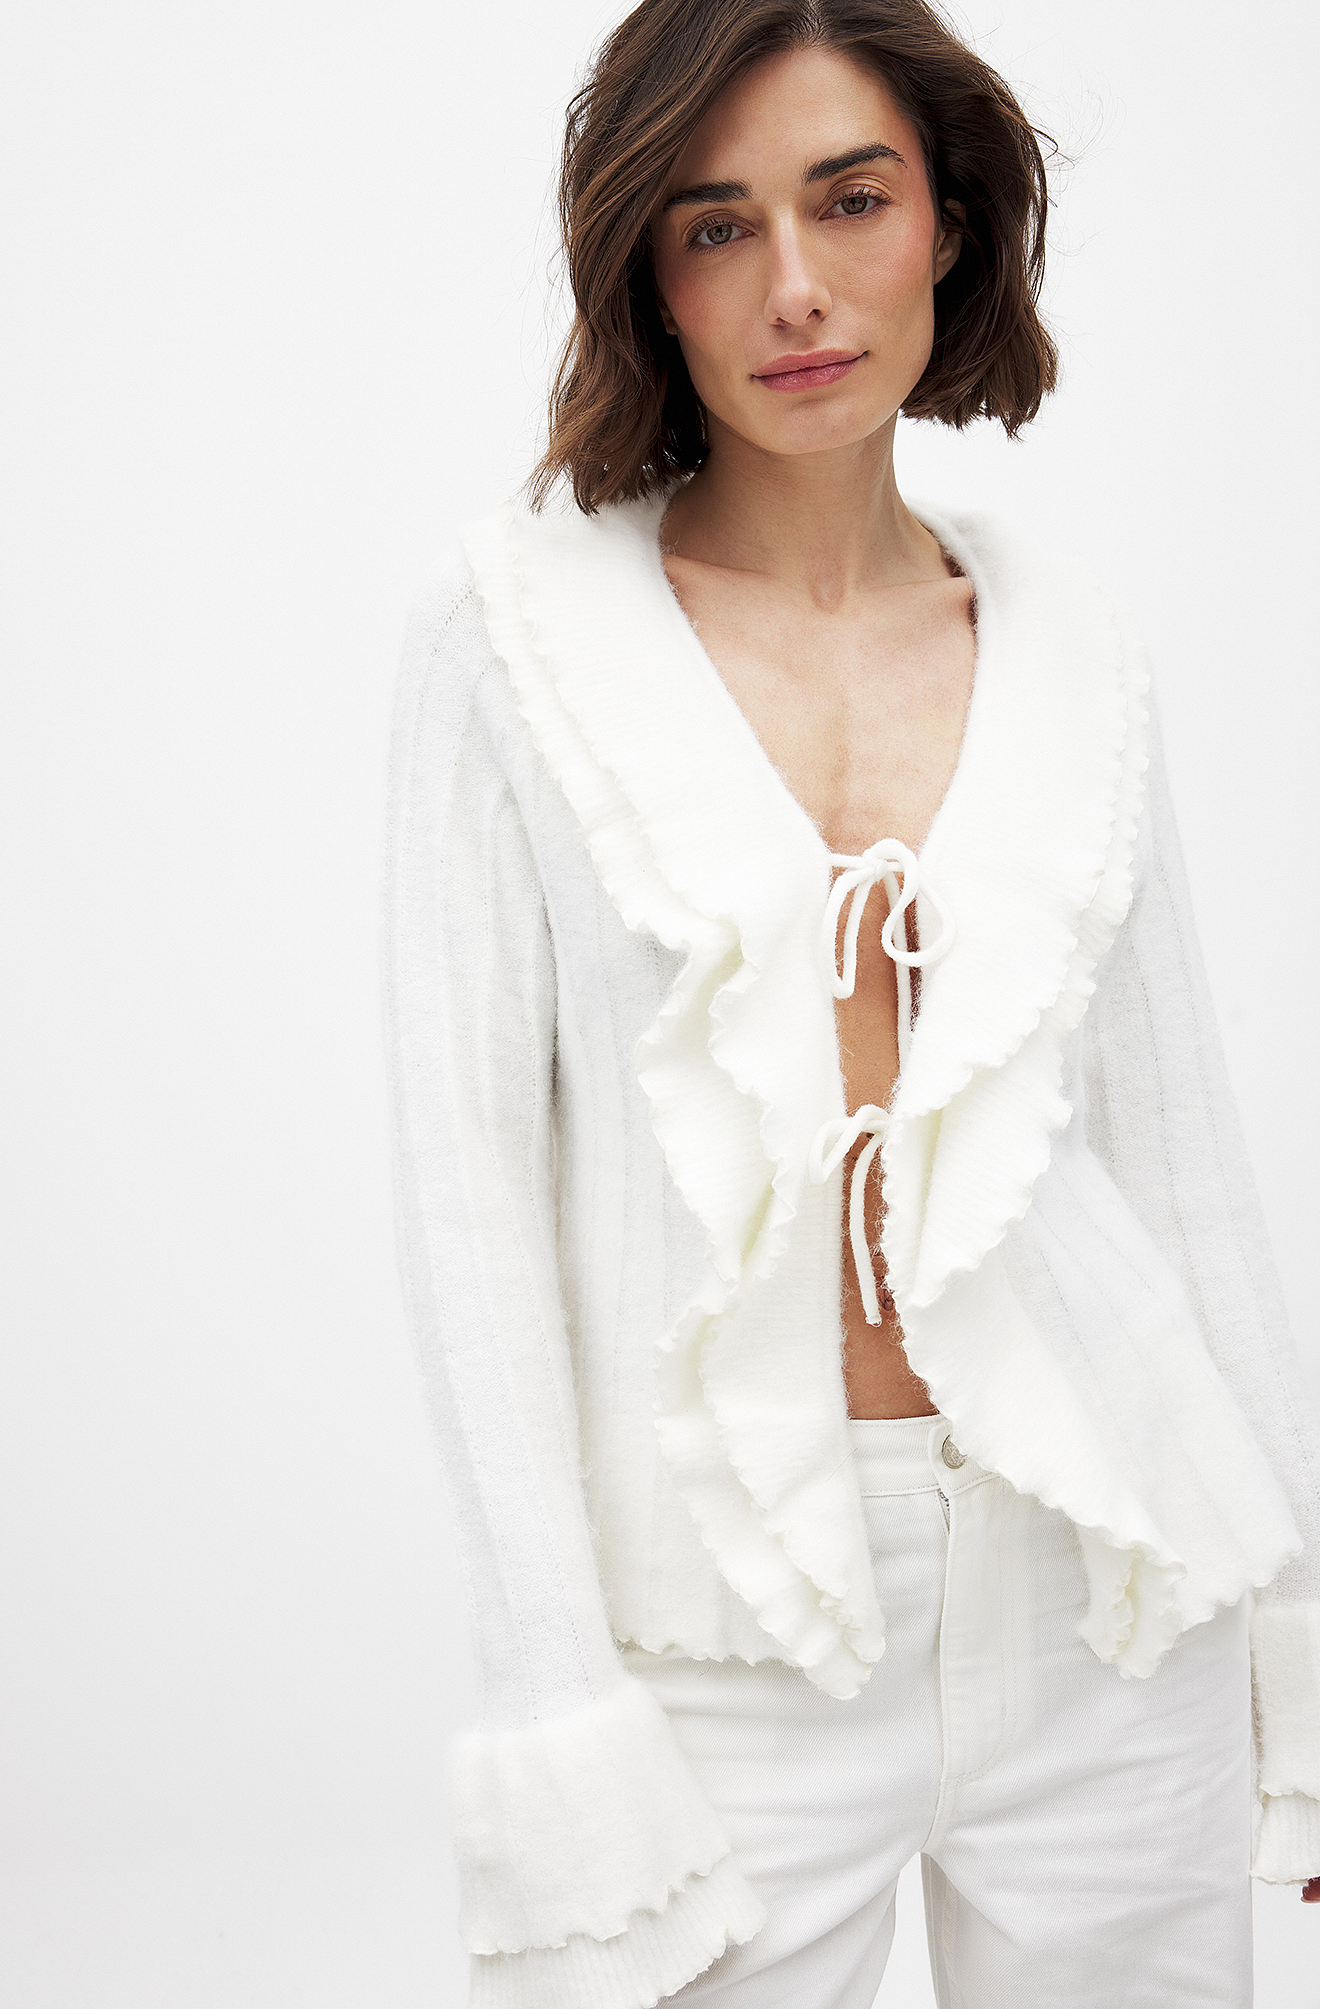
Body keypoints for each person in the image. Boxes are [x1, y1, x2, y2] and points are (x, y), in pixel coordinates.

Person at [382, 2, 1320, 2003]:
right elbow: (469, 1211)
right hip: (723, 1632)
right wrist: (553, 1691)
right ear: (647, 275)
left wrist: (1302, 1655)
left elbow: (1184, 1164)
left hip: (1108, 1591)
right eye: (717, 226)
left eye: (851, 200)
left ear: (948, 225)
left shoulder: (1076, 648)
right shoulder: (508, 646)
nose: (795, 287)